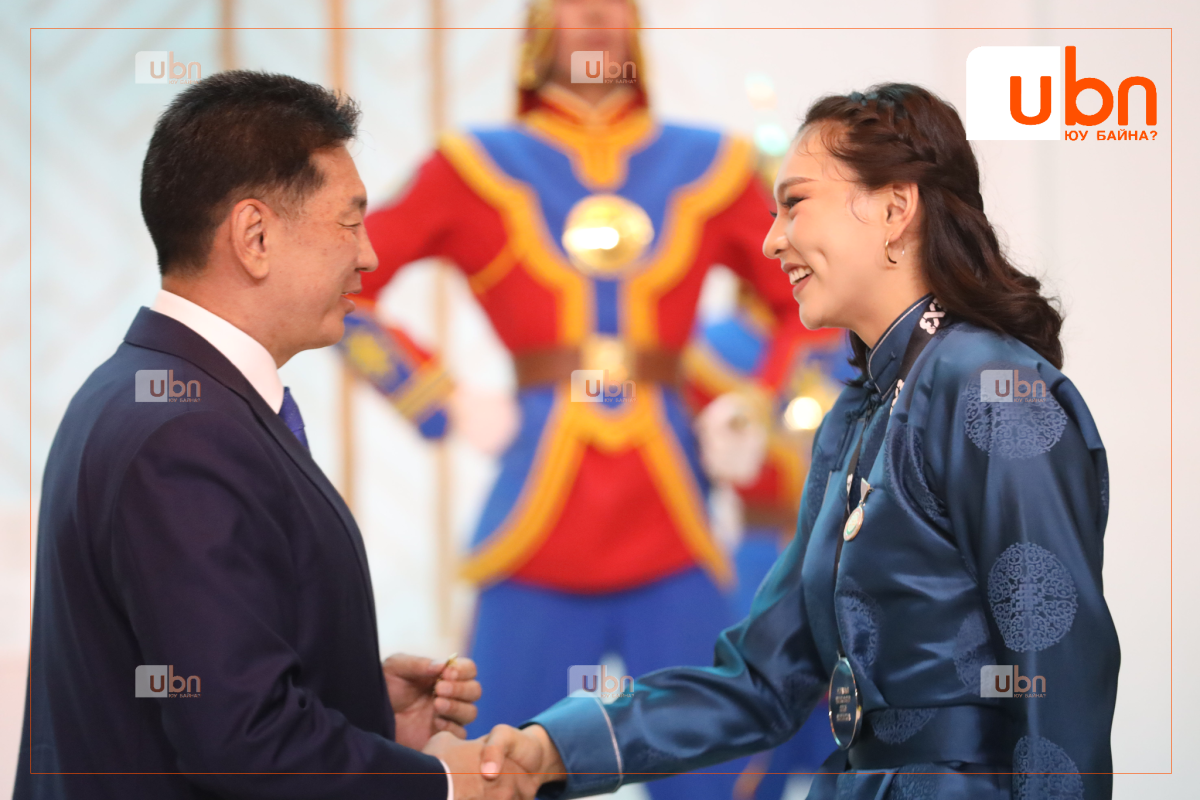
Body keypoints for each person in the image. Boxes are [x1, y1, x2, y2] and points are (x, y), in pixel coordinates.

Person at [475, 83, 1121, 800]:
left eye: (795, 204)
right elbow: (761, 680)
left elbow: (1059, 672)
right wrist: (551, 750)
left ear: (895, 209)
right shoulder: (859, 411)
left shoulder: (995, 389)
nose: (771, 240)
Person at [340, 2, 826, 797]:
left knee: (718, 776)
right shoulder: (473, 166)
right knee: (495, 767)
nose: (595, 13)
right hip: (536, 528)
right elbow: (346, 283)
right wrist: (439, 397)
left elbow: (813, 302)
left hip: (671, 521)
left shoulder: (711, 163)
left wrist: (757, 408)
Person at [14, 71, 510, 800]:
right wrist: (439, 783)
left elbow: (198, 683)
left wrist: (359, 705)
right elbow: (241, 742)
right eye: (350, 222)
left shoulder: (147, 390)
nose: (369, 256)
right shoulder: (185, 434)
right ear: (255, 237)